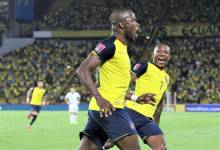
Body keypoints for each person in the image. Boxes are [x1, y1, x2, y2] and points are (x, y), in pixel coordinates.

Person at [76, 9, 142, 150]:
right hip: (111, 109)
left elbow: (116, 87)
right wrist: (100, 98)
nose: (138, 25)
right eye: (134, 20)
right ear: (122, 25)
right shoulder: (110, 45)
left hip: (100, 110)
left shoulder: (122, 48)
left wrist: (136, 98)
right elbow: (82, 70)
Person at [105, 43, 171, 150]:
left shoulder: (167, 77)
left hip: (147, 120)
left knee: (161, 147)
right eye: (158, 51)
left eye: (165, 52)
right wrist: (132, 97)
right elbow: (123, 85)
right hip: (131, 113)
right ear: (153, 54)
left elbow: (159, 104)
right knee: (108, 143)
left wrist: (156, 125)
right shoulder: (145, 66)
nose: (162, 54)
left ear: (169, 57)